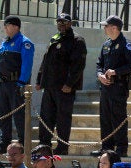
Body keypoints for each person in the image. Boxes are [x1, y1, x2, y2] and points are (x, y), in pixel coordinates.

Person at [35, 12, 87, 155]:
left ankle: (62, 146)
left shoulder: (77, 40)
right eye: (59, 22)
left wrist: (69, 84)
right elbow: (46, 61)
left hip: (64, 88)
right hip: (49, 85)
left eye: (64, 22)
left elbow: (78, 65)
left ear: (70, 23)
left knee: (62, 118)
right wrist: (39, 80)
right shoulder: (55, 38)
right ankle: (44, 144)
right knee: (46, 116)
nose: (61, 25)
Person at [91, 15, 131, 158]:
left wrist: (116, 72)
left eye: (106, 26)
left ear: (114, 28)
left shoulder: (126, 44)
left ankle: (121, 148)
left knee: (118, 118)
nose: (104, 28)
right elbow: (99, 64)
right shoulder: (106, 44)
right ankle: (106, 148)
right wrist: (100, 75)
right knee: (105, 118)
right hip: (105, 88)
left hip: (119, 87)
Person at [0, 15, 34, 154]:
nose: (5, 28)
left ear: (15, 26)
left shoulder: (24, 43)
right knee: (4, 114)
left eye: (7, 25)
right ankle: (5, 143)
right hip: (4, 83)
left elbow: (27, 64)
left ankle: (23, 144)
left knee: (19, 116)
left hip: (16, 84)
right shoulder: (5, 43)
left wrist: (21, 82)